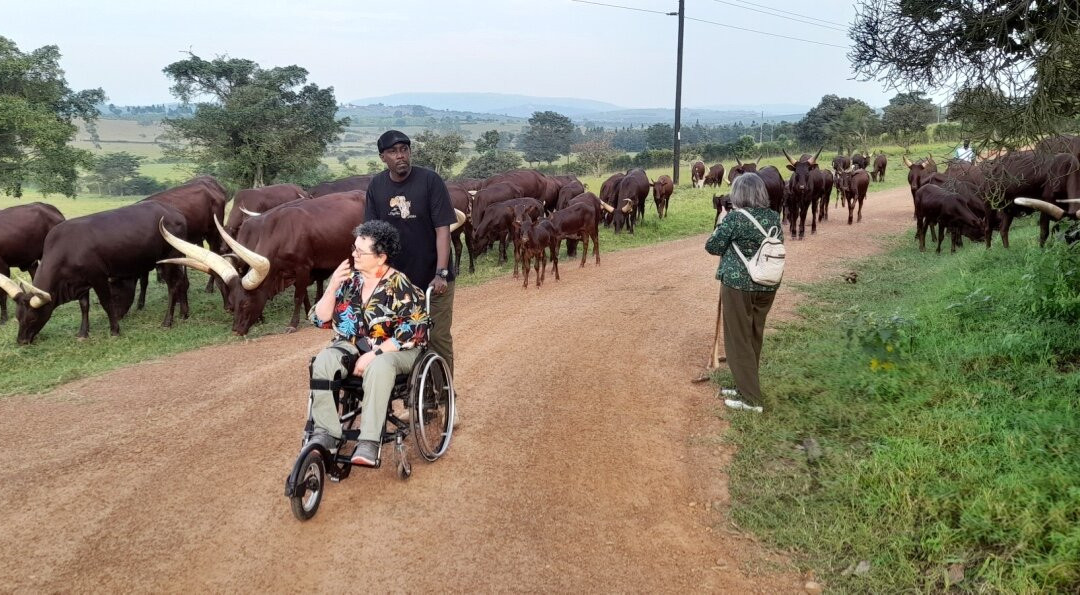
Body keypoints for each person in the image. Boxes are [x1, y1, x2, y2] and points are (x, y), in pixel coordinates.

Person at [305, 220, 430, 466]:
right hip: (353, 345)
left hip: (397, 349)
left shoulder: (400, 285)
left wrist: (374, 354)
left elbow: (413, 331)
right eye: (354, 248)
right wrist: (332, 287)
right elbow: (320, 319)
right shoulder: (349, 282)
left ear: (381, 257)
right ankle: (327, 433)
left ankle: (369, 441)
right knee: (324, 360)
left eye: (360, 252)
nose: (354, 255)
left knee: (379, 366)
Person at [365, 130, 458, 376]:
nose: (400, 156)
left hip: (432, 278)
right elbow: (373, 237)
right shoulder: (377, 186)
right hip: (397, 284)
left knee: (436, 337)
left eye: (404, 150)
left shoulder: (430, 181)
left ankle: (441, 395)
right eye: (393, 152)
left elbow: (442, 230)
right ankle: (413, 394)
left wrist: (441, 272)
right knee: (398, 338)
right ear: (383, 157)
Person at [704, 174, 783, 413]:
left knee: (738, 340)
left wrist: (722, 221)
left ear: (738, 194)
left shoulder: (735, 218)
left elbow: (712, 246)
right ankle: (744, 386)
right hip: (767, 285)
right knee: (753, 336)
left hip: (739, 286)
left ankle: (750, 399)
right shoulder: (773, 217)